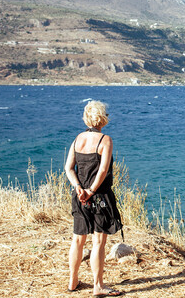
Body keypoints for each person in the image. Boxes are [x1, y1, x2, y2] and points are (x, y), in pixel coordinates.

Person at [65, 100, 123, 297]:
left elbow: (68, 168)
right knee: (98, 241)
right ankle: (98, 286)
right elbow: (103, 170)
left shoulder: (77, 139)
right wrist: (90, 190)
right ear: (103, 118)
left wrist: (79, 187)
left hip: (79, 196)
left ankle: (73, 281)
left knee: (77, 239)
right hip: (99, 197)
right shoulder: (105, 140)